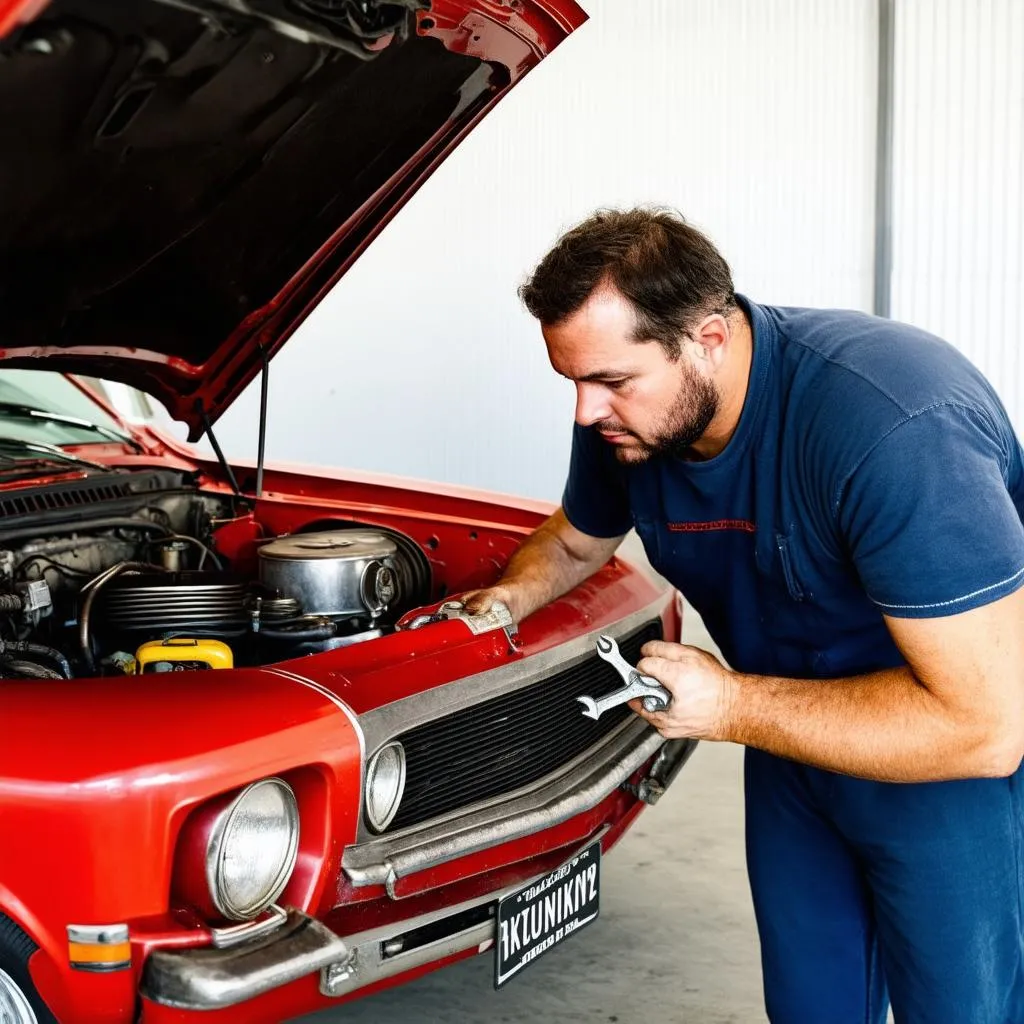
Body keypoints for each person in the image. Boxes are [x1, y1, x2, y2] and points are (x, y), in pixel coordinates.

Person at [461, 208, 1024, 1024]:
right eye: (573, 383)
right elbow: (577, 541)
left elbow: (985, 725)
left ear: (709, 341)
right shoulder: (631, 425)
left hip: (937, 767)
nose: (585, 411)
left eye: (612, 381)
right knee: (810, 1007)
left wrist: (728, 704)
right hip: (788, 747)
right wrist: (507, 596)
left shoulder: (893, 426)